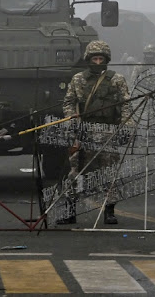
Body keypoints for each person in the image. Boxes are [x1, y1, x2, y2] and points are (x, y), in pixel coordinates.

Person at [59, 40, 131, 225]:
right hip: (83, 132)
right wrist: (72, 121)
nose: (98, 62)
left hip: (108, 131)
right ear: (88, 59)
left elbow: (126, 105)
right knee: (75, 172)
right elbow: (68, 102)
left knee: (108, 173)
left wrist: (126, 127)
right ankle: (70, 211)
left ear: (106, 60)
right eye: (95, 58)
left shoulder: (117, 80)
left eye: (101, 58)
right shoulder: (78, 79)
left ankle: (109, 211)